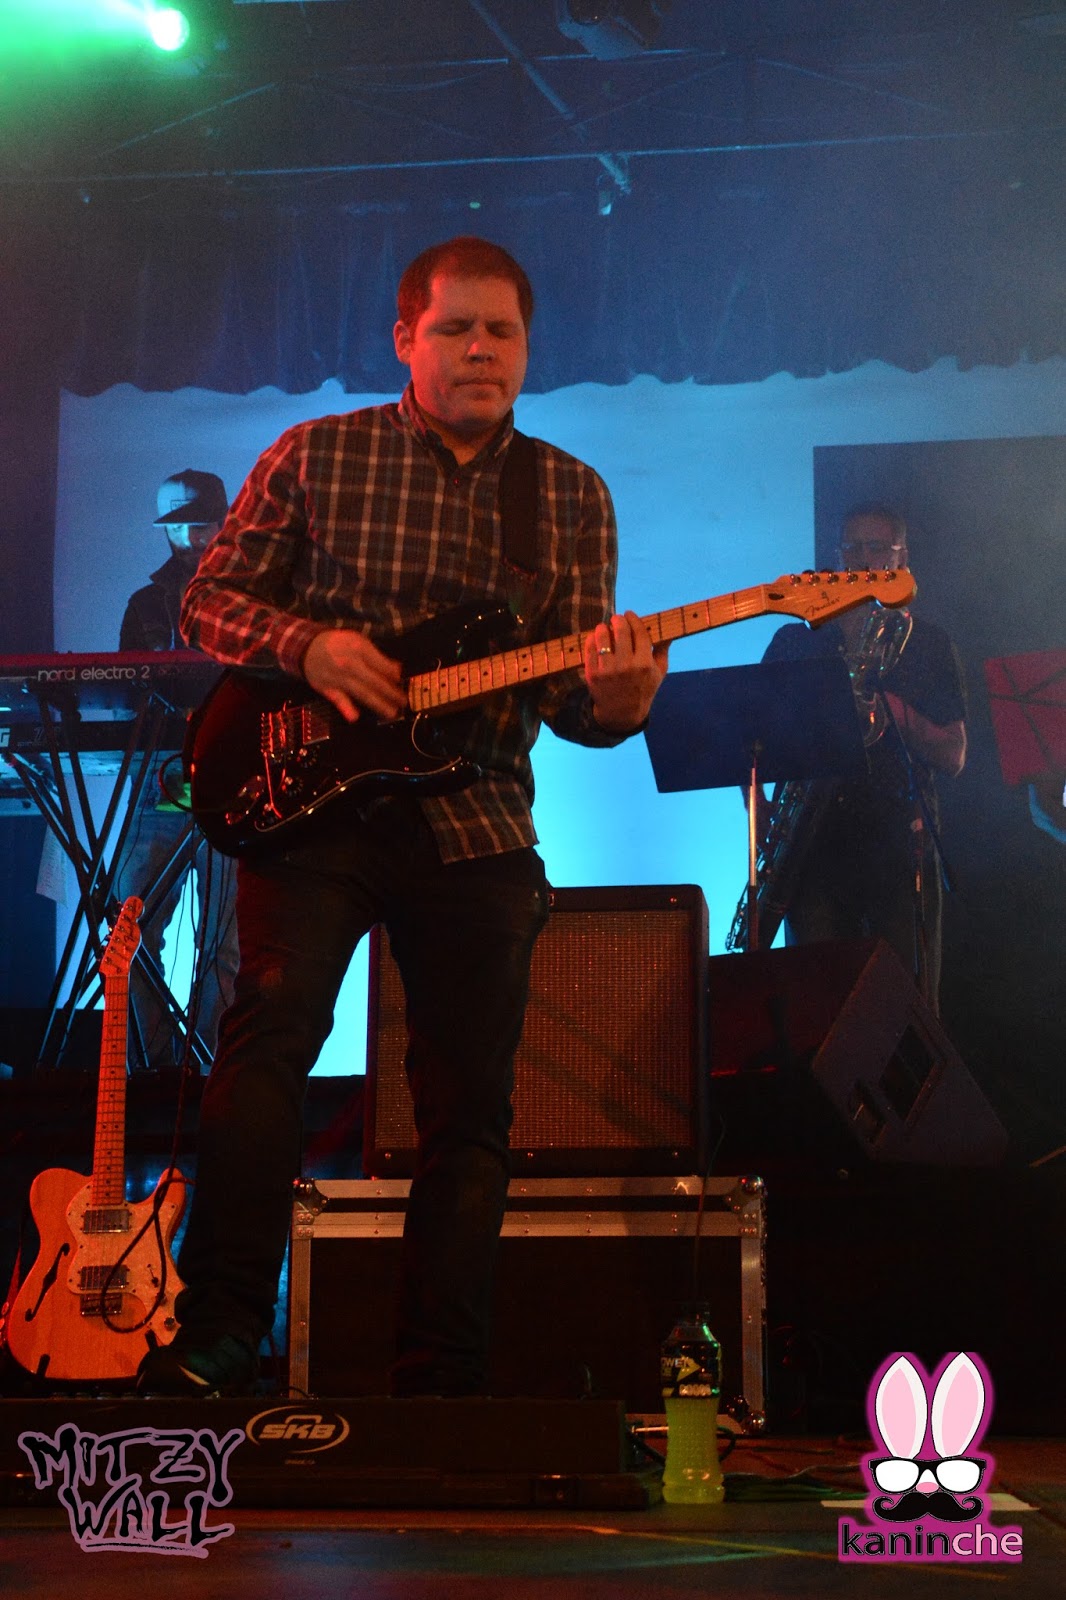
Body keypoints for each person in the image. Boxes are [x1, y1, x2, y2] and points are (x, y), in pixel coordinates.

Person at [137, 237, 668, 1398]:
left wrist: (622, 703)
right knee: (268, 1044)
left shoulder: (568, 493)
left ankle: (440, 1375)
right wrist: (307, 645)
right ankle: (220, 1331)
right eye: (455, 328)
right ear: (404, 339)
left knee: (468, 1109)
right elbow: (206, 600)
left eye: (501, 331)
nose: (480, 349)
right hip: (309, 812)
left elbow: (570, 703)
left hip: (476, 821)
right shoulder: (317, 454)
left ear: (526, 347)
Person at [760, 506, 966, 1009]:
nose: (863, 559)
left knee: (908, 1008)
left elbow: (954, 754)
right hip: (812, 845)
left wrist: (890, 707)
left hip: (901, 842)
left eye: (877, 548)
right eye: (852, 548)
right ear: (837, 556)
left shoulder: (928, 643)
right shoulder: (796, 639)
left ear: (902, 557)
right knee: (817, 1006)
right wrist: (757, 809)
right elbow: (754, 735)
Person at [116, 471, 239, 1069]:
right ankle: (155, 1073)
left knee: (224, 942)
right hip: (165, 774)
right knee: (129, 929)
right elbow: (126, 693)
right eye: (178, 527)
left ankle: (209, 1074)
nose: (189, 539)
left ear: (224, 522)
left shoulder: (250, 597)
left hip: (233, 775)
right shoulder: (147, 605)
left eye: (201, 525)